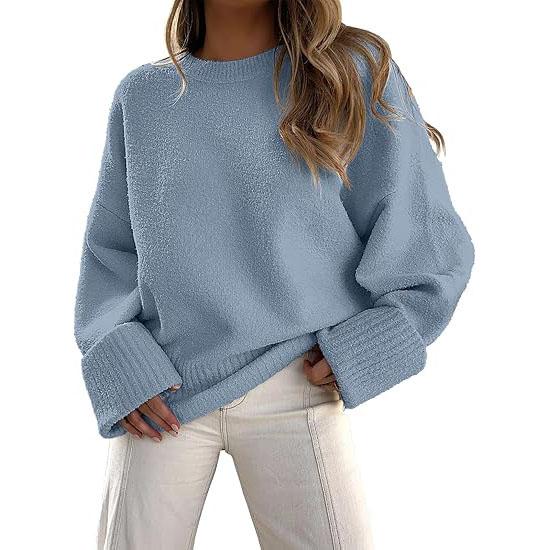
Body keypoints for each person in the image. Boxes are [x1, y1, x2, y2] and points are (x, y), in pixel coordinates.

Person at [73, 0, 475, 548]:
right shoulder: (142, 98)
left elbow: (426, 236)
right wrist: (120, 358)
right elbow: (110, 255)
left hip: (297, 379)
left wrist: (374, 343)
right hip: (162, 392)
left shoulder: (349, 73)